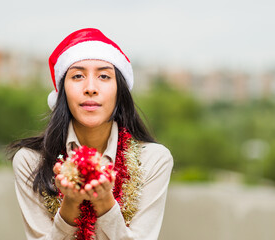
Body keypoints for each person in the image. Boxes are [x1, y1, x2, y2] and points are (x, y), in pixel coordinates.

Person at [10, 28, 173, 240]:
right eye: (77, 76)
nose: (90, 88)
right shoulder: (31, 161)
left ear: (119, 91)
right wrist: (70, 205)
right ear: (62, 92)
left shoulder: (152, 160)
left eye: (104, 76)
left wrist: (105, 202)